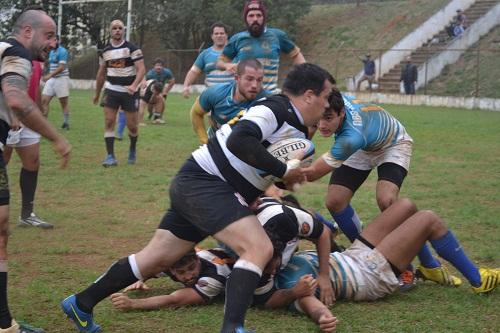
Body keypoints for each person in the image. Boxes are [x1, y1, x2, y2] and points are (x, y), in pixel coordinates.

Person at [61, 63, 334, 333]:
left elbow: (259, 164)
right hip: (207, 183)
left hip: (199, 185)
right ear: (309, 95)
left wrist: (286, 178)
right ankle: (233, 327)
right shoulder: (274, 108)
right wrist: (283, 169)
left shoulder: (296, 128)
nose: (327, 105)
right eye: (325, 97)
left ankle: (81, 303)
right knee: (258, 247)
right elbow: (239, 140)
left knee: (154, 259)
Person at [304, 90, 461, 288]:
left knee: (387, 201)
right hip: (363, 145)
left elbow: (313, 174)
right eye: (320, 119)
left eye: (328, 119)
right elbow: (311, 118)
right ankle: (365, 251)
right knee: (335, 201)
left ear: (341, 112)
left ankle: (423, 266)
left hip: (393, 143)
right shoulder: (330, 100)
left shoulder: (352, 135)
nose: (322, 125)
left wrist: (281, 170)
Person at [276, 198, 499, 309]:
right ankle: (478, 280)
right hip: (368, 275)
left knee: (406, 205)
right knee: (428, 219)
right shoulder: (284, 284)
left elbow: (321, 233)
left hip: (351, 256)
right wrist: (320, 313)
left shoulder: (273, 252)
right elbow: (303, 303)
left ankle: (430, 268)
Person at [0, 7, 71, 333]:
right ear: (27, 31)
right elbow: (15, 99)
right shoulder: (17, 53)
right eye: (49, 35)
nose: (52, 43)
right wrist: (56, 137)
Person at [2, 60, 53, 229]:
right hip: (8, 118)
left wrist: (38, 111)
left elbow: (35, 87)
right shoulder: (10, 57)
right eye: (48, 37)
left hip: (28, 118)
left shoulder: (36, 61)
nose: (51, 43)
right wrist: (12, 115)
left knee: (32, 163)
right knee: (3, 163)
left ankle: (27, 215)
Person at [217, 0, 306, 94]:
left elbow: (296, 55)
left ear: (264, 18)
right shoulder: (237, 38)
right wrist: (227, 65)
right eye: (251, 16)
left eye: (259, 15)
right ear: (245, 19)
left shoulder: (277, 36)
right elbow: (219, 63)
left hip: (269, 98)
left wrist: (304, 75)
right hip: (243, 99)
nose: (255, 19)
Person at [92, 19, 145, 167]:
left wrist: (134, 86)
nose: (117, 30)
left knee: (132, 126)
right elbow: (101, 74)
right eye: (114, 28)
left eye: (120, 28)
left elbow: (141, 69)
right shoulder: (105, 51)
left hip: (129, 91)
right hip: (111, 90)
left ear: (123, 31)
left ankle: (132, 149)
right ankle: (110, 156)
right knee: (109, 122)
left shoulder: (132, 49)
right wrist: (97, 93)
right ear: (110, 31)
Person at [110, 248, 233, 311]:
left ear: (197, 260)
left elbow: (174, 300)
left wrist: (133, 304)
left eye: (192, 268)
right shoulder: (170, 263)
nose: (189, 276)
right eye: (181, 272)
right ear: (171, 270)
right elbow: (150, 267)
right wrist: (140, 279)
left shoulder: (213, 278)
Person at [190, 58, 266, 144]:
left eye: (259, 80)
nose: (255, 85)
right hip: (216, 145)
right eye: (249, 79)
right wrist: (205, 141)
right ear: (237, 78)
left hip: (248, 150)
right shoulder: (216, 93)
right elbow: (196, 113)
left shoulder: (267, 101)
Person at [182, 22, 234, 98]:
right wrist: (186, 86)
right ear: (212, 36)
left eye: (222, 33)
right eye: (216, 34)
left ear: (226, 35)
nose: (219, 36)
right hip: (211, 98)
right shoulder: (205, 54)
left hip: (231, 98)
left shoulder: (236, 52)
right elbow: (194, 71)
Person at [40, 35, 71, 130]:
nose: (50, 43)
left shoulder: (63, 51)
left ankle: (66, 123)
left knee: (63, 103)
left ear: (57, 40)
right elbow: (51, 65)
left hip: (62, 79)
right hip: (52, 79)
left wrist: (49, 75)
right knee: (44, 101)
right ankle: (44, 124)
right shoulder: (51, 51)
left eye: (53, 40)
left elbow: (61, 67)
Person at [139, 58, 174, 125]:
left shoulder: (167, 72)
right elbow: (144, 83)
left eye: (160, 66)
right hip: (149, 91)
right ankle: (150, 114)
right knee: (149, 105)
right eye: (157, 65)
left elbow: (172, 81)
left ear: (163, 66)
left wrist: (166, 91)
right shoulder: (150, 74)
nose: (159, 67)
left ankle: (157, 117)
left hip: (160, 90)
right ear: (154, 66)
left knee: (162, 101)